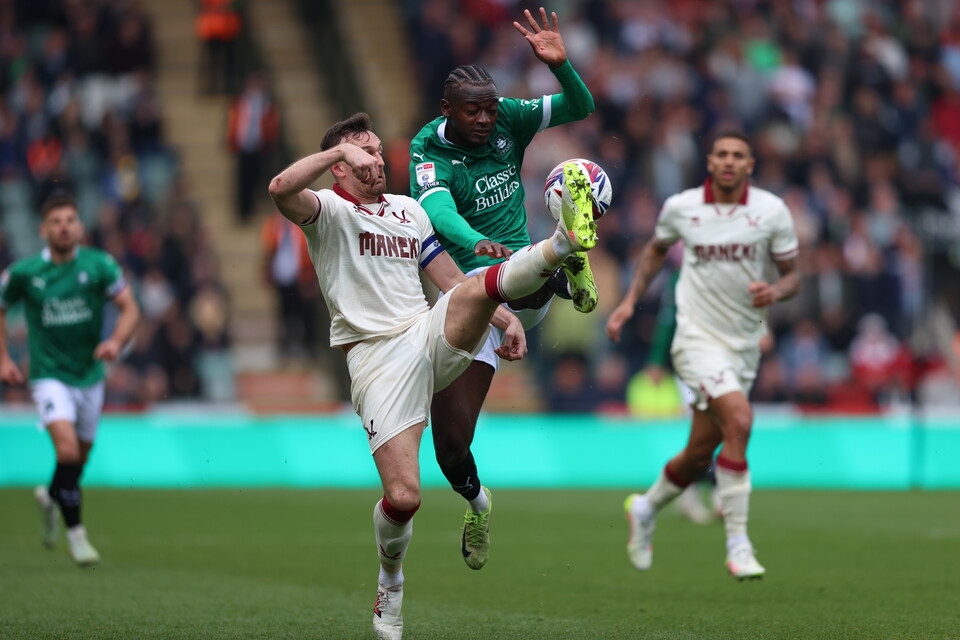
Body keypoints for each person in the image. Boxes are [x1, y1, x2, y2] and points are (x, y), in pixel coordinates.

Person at [268, 112, 600, 640]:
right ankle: (391, 582)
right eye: (364, 153)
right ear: (340, 167)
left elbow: (444, 276)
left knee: (470, 286)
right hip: (376, 359)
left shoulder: (406, 210)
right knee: (404, 499)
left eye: (377, 150)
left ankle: (563, 245)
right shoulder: (326, 210)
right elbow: (280, 188)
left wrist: (503, 316)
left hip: (424, 331)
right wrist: (336, 152)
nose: (376, 160)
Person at [408, 7, 595, 570]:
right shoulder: (427, 149)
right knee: (450, 447)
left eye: (491, 108)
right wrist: (474, 240)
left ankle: (562, 253)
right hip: (466, 298)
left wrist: (563, 68)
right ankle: (478, 504)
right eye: (475, 112)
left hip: (518, 281)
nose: (487, 120)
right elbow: (437, 213)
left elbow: (581, 106)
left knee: (518, 276)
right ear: (448, 111)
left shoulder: (509, 118)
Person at [606, 131, 800, 580]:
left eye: (738, 156)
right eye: (722, 154)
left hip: (744, 346)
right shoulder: (682, 207)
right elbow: (655, 251)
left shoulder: (771, 212)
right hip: (695, 341)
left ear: (750, 164)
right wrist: (630, 302)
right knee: (741, 421)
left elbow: (794, 276)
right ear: (710, 161)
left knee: (698, 455)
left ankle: (645, 507)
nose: (730, 162)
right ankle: (739, 543)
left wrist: (776, 290)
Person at [0, 192, 140, 567]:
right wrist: (3, 358)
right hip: (48, 375)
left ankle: (50, 494)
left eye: (70, 220)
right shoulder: (25, 273)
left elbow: (130, 309)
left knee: (79, 461)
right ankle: (77, 537)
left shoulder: (99, 265)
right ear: (43, 229)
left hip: (90, 376)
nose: (64, 227)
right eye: (56, 221)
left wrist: (115, 341)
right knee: (66, 452)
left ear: (80, 226)